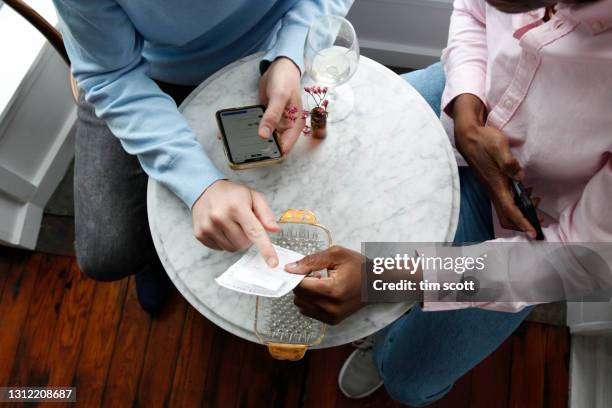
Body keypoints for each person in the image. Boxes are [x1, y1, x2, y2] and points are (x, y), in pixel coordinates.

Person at [284, 0, 612, 404]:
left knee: (409, 379)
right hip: (462, 96)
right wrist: (465, 113)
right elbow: (472, 14)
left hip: (530, 227)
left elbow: (583, 260)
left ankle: (391, 330)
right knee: (334, 168)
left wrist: (384, 279)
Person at [52, 0, 353, 313]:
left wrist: (290, 56)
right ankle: (152, 252)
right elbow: (110, 75)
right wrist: (199, 185)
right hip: (142, 74)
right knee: (108, 254)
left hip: (271, 45)